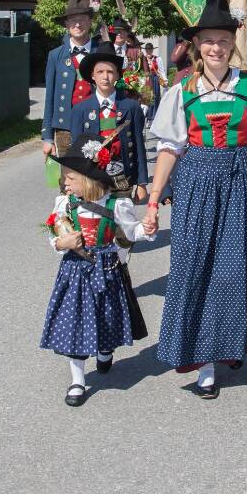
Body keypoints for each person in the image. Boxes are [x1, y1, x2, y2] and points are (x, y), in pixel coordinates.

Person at [144, 0, 247, 399]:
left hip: (243, 183)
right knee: (196, 267)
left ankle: (231, 339)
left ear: (232, 43)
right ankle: (205, 362)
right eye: (208, 41)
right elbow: (170, 149)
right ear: (197, 45)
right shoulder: (181, 91)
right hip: (195, 187)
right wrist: (155, 200)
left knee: (239, 266)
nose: (215, 48)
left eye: (222, 40)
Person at [40, 133, 154, 407]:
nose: (64, 182)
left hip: (107, 269)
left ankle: (105, 351)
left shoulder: (117, 205)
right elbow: (54, 234)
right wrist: (63, 241)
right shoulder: (65, 204)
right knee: (74, 323)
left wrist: (146, 229)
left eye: (70, 178)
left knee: (107, 317)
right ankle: (78, 380)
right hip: (75, 272)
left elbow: (130, 231)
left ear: (89, 181)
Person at [71, 41, 148, 202]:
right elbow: (76, 152)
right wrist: (75, 183)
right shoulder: (80, 110)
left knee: (121, 222)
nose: (105, 77)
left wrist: (141, 183)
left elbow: (139, 146)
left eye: (110, 72)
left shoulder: (132, 107)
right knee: (96, 223)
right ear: (92, 75)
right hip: (91, 180)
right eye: (100, 72)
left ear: (118, 75)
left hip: (122, 179)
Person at [41, 0, 99, 159]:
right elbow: (49, 97)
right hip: (64, 128)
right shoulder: (55, 55)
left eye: (82, 19)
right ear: (66, 24)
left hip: (96, 125)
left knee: (94, 180)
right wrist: (47, 137)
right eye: (73, 20)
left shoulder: (101, 52)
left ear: (90, 21)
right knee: (68, 182)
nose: (78, 24)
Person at [143, 42, 167, 126]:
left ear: (152, 50)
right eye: (147, 49)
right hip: (146, 80)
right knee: (147, 98)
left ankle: (154, 118)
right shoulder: (143, 58)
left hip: (155, 79)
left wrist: (165, 80)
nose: (148, 51)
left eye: (150, 49)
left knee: (156, 98)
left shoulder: (157, 59)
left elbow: (161, 70)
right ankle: (147, 118)